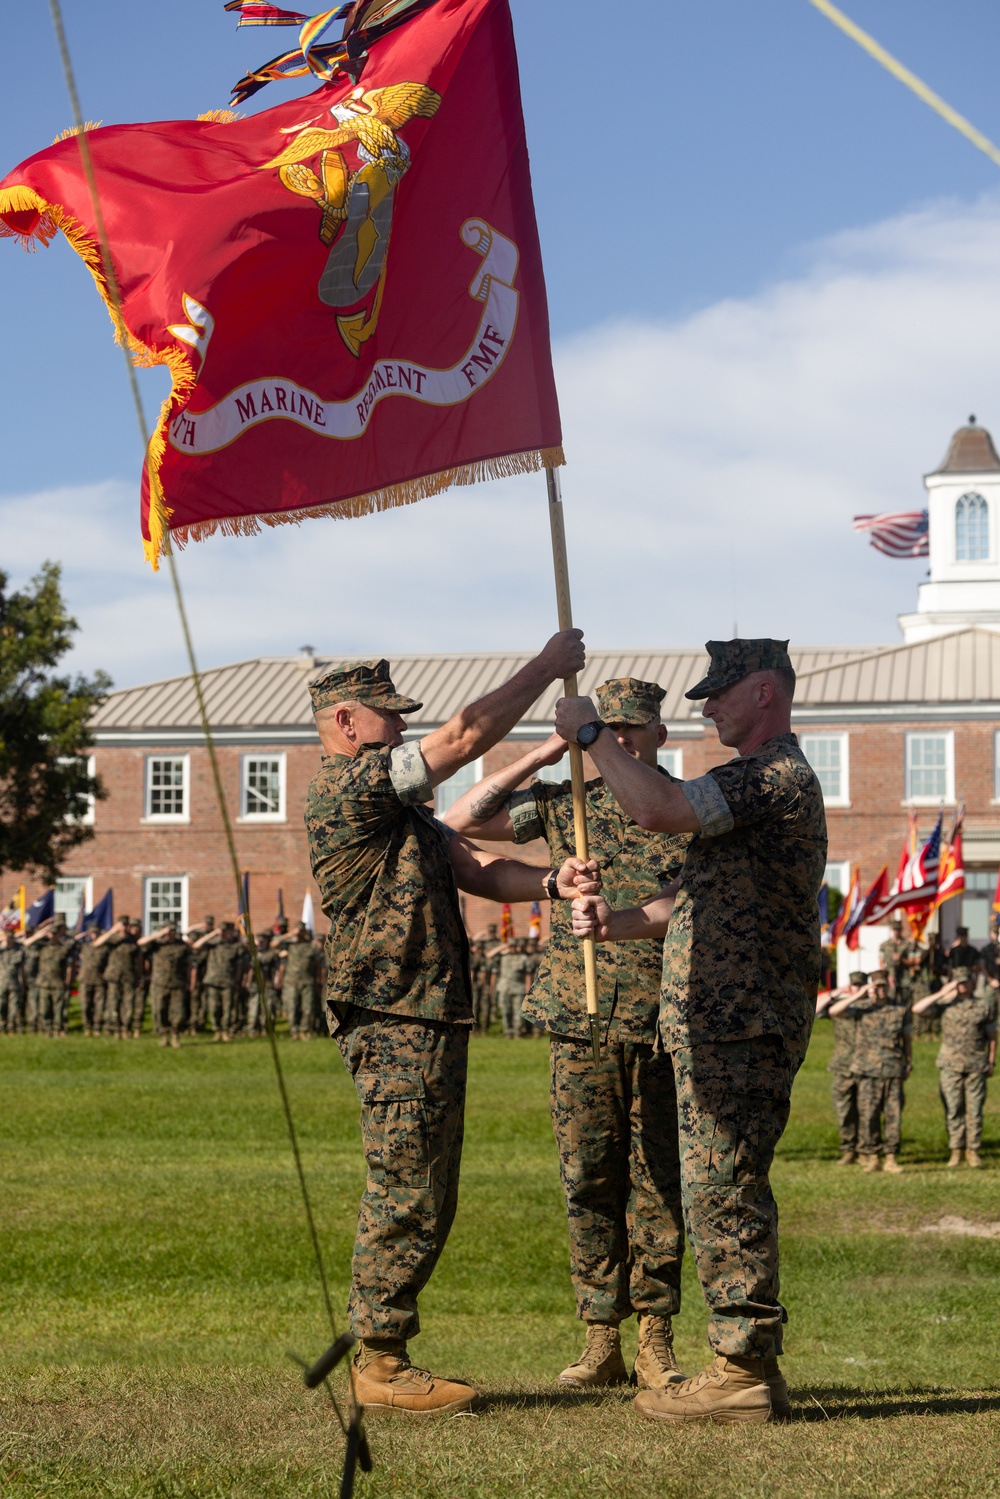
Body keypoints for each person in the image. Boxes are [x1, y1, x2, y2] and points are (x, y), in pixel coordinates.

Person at [304, 637, 594, 1416]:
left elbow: (476, 869)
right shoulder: (348, 790)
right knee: (405, 1184)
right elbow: (464, 737)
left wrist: (550, 881)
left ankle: (386, 1350)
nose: (400, 729)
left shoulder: (402, 808)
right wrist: (546, 668)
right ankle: (380, 1359)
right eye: (387, 717)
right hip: (394, 1011)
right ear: (345, 720)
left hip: (427, 1012)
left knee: (430, 1188)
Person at [562, 639, 826, 1425]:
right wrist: (613, 924)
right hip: (721, 1020)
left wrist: (591, 736)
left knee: (723, 1186)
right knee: (721, 1183)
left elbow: (657, 808)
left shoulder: (772, 775)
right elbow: (685, 898)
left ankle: (739, 1370)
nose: (706, 706)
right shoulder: (754, 783)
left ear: (767, 692)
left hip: (739, 1022)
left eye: (721, 692)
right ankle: (752, 1365)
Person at [446, 676, 690, 1391]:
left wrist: (623, 914)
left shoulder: (679, 807)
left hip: (657, 1022)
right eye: (600, 729)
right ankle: (599, 1336)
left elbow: (684, 901)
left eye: (623, 731)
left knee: (656, 1181)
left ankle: (656, 1335)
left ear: (657, 737)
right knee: (587, 1176)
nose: (609, 742)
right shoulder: (563, 804)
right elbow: (461, 816)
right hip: (579, 1022)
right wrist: (551, 744)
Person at [913, 967, 996, 1167]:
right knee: (953, 1109)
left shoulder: (982, 1007)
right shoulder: (944, 1005)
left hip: (976, 1064)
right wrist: (943, 992)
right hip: (950, 1065)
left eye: (966, 982)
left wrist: (991, 1061)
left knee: (974, 1110)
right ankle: (956, 1150)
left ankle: (973, 1150)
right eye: (959, 982)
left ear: (972, 983)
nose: (963, 986)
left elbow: (992, 1037)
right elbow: (917, 1009)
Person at [830, 971, 910, 1174]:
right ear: (872, 988)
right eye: (877, 987)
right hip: (866, 1070)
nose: (881, 990)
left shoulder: (899, 1010)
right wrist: (860, 994)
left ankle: (891, 1157)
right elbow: (834, 1012)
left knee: (893, 1116)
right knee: (868, 1115)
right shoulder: (861, 1008)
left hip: (892, 1068)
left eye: (884, 986)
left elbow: (907, 1041)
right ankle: (872, 1156)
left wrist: (908, 1063)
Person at [815, 971, 869, 1165]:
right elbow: (816, 1009)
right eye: (854, 985)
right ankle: (848, 1149)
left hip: (867, 1067)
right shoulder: (840, 1006)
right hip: (843, 1066)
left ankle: (865, 1149)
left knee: (866, 1111)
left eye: (860, 985)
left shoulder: (871, 1007)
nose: (857, 989)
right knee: (844, 1110)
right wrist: (836, 992)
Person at [139, 924, 191, 1047]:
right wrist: (158, 934)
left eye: (172, 931)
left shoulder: (182, 945)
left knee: (177, 1012)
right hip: (159, 983)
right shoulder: (157, 944)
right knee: (159, 1010)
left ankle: (175, 1036)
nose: (169, 933)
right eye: (167, 931)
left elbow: (189, 963)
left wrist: (189, 981)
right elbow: (140, 942)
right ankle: (164, 1035)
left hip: (177, 983)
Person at [192, 921, 245, 1041]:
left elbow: (240, 964)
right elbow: (196, 945)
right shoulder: (213, 943)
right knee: (214, 1007)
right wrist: (213, 934)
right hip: (212, 980)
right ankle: (217, 1030)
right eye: (223, 931)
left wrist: (238, 979)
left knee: (228, 1008)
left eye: (227, 931)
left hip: (228, 981)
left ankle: (226, 1031)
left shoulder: (236, 945)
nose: (224, 933)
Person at [25, 916, 76, 1037]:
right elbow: (27, 943)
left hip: (58, 982)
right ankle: (47, 1029)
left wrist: (68, 981)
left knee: (58, 1009)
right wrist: (44, 930)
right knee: (44, 1009)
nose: (52, 936)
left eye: (54, 934)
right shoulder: (42, 947)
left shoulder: (64, 948)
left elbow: (69, 967)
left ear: (58, 935)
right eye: (50, 934)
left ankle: (57, 1029)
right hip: (43, 982)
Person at [96, 917, 141, 1039]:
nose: (125, 927)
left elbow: (138, 960)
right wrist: (112, 931)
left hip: (129, 976)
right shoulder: (113, 939)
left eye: (127, 925)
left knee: (128, 1003)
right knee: (113, 1002)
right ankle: (115, 1028)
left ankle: (126, 1028)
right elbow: (96, 944)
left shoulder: (133, 940)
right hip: (114, 976)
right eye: (123, 925)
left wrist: (138, 976)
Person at [276, 923, 321, 1040]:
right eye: (298, 930)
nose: (300, 933)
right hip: (291, 981)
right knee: (292, 1007)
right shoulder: (289, 945)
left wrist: (318, 981)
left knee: (307, 1008)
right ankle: (294, 1031)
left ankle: (304, 1030)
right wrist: (290, 934)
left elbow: (318, 966)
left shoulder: (311, 946)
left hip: (307, 981)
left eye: (301, 931)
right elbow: (273, 943)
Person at [879, 918, 923, 1007]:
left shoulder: (907, 945)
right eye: (895, 929)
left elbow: (912, 962)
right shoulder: (884, 945)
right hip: (890, 977)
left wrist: (901, 959)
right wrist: (886, 975)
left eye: (898, 929)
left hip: (904, 978)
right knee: (890, 1001)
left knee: (905, 1002)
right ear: (891, 929)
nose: (896, 932)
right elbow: (881, 962)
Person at [246, 930, 281, 1035]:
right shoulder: (254, 953)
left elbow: (277, 969)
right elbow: (250, 970)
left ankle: (266, 1029)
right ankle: (253, 1029)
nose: (260, 944)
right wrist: (248, 981)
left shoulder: (272, 954)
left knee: (268, 1009)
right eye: (259, 942)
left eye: (262, 942)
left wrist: (277, 980)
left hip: (268, 984)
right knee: (254, 1008)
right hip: (255, 984)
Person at [494, 940, 531, 1038]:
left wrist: (528, 988)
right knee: (506, 1011)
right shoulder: (503, 957)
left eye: (513, 946)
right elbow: (489, 955)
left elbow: (528, 974)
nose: (512, 948)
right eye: (510, 946)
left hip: (518, 988)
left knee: (517, 1012)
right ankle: (508, 1032)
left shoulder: (523, 958)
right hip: (504, 988)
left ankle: (517, 1032)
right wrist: (503, 947)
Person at [76, 924, 108, 1036]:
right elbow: (72, 941)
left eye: (96, 933)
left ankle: (97, 1027)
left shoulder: (104, 947)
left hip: (99, 979)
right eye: (92, 933)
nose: (94, 935)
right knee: (85, 1005)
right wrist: (83, 934)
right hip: (85, 979)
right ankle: (87, 1027)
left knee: (99, 1006)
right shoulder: (84, 946)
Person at [0, 929, 25, 1033]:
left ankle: (11, 1027)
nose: (9, 940)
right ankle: (2, 1027)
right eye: (7, 937)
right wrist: (3, 942)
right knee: (1, 1006)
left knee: (13, 1007)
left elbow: (21, 970)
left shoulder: (19, 951)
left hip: (14, 984)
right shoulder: (1, 951)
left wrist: (23, 983)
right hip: (1, 984)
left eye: (11, 937)